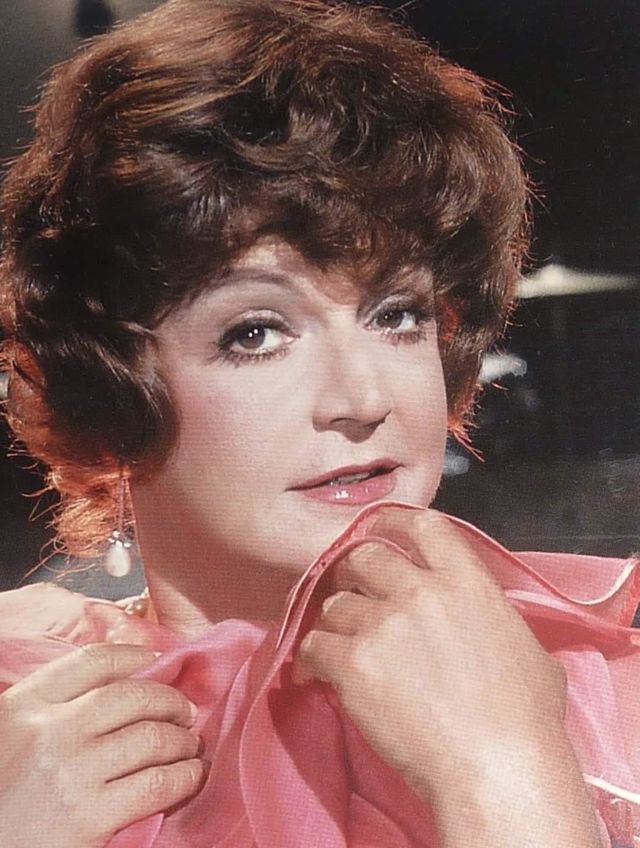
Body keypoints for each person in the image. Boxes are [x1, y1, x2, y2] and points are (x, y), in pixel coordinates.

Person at [0, 1, 638, 846]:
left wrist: (505, 777)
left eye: (397, 315)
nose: (363, 397)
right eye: (256, 333)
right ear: (100, 386)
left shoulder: (603, 697)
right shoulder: (20, 706)